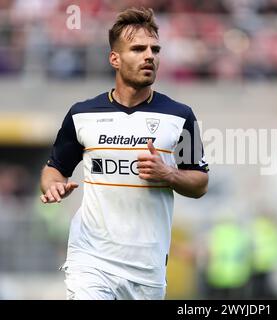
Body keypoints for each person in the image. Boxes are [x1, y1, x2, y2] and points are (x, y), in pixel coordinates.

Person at [39, 7, 209, 300]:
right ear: (114, 58)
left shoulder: (181, 116)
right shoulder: (82, 114)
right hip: (90, 259)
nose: (149, 56)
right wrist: (52, 185)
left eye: (155, 49)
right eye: (138, 49)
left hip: (147, 268)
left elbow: (200, 183)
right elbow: (54, 168)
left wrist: (167, 173)